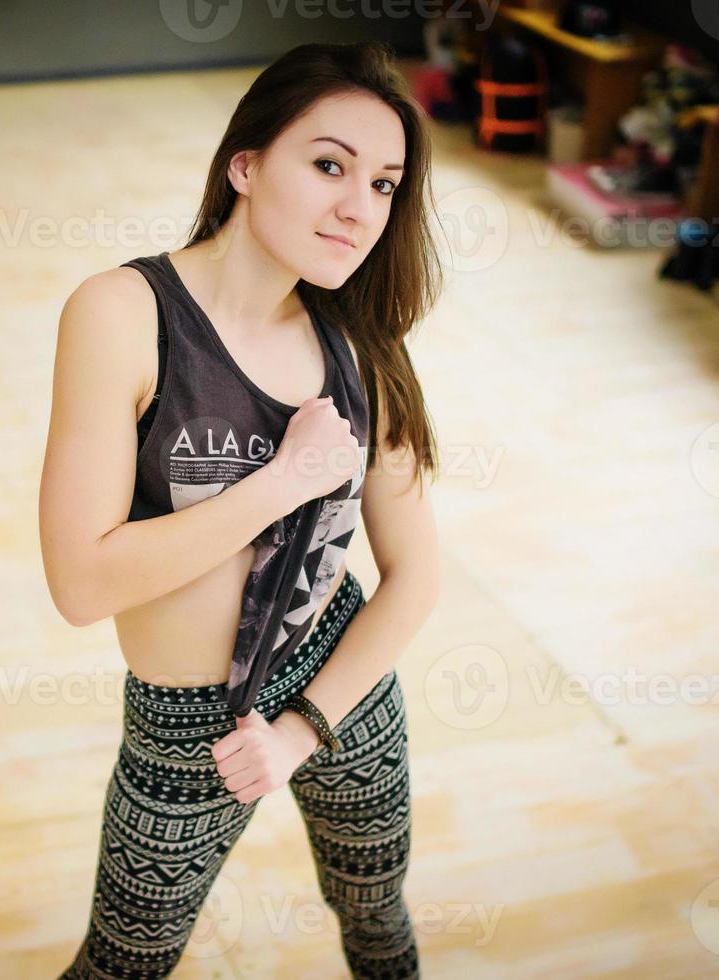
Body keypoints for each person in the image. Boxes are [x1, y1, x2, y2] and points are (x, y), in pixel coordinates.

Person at [38, 40, 444, 979]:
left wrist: (304, 727)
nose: (358, 207)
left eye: (384, 186)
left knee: (376, 917)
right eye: (329, 164)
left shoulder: (362, 346)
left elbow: (417, 576)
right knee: (122, 964)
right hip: (184, 730)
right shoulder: (124, 313)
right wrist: (281, 480)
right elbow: (79, 582)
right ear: (247, 163)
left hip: (338, 685)